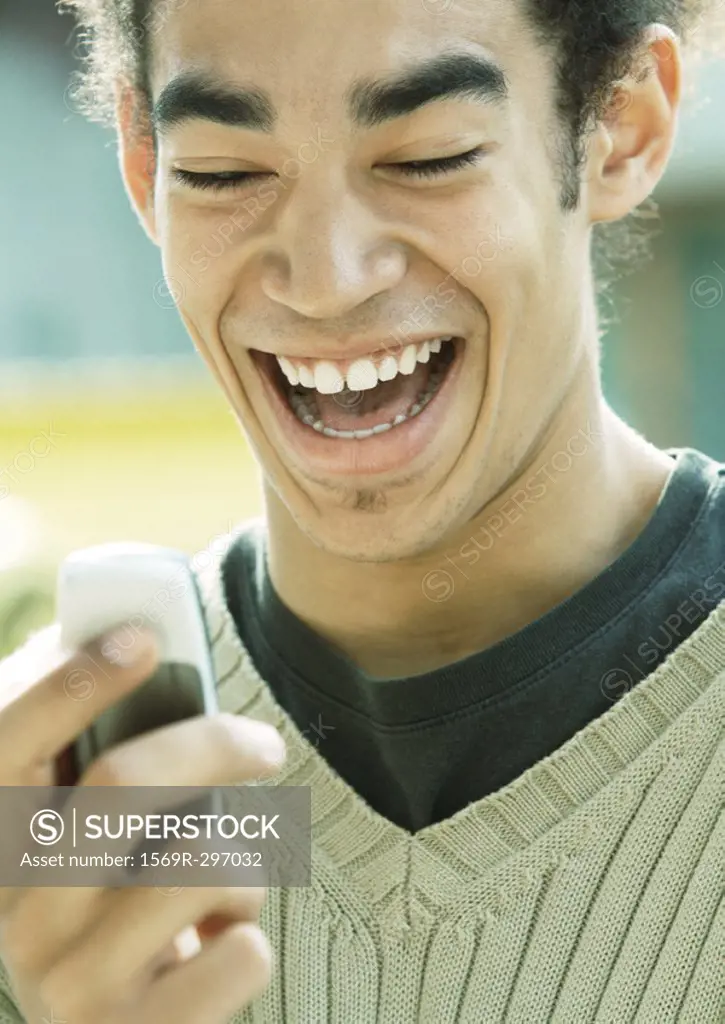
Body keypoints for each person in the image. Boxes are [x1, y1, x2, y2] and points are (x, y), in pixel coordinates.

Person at [1, 0, 724, 1021]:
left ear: (621, 125)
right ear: (140, 165)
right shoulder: (58, 822)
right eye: (223, 172)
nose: (325, 281)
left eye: (426, 156)